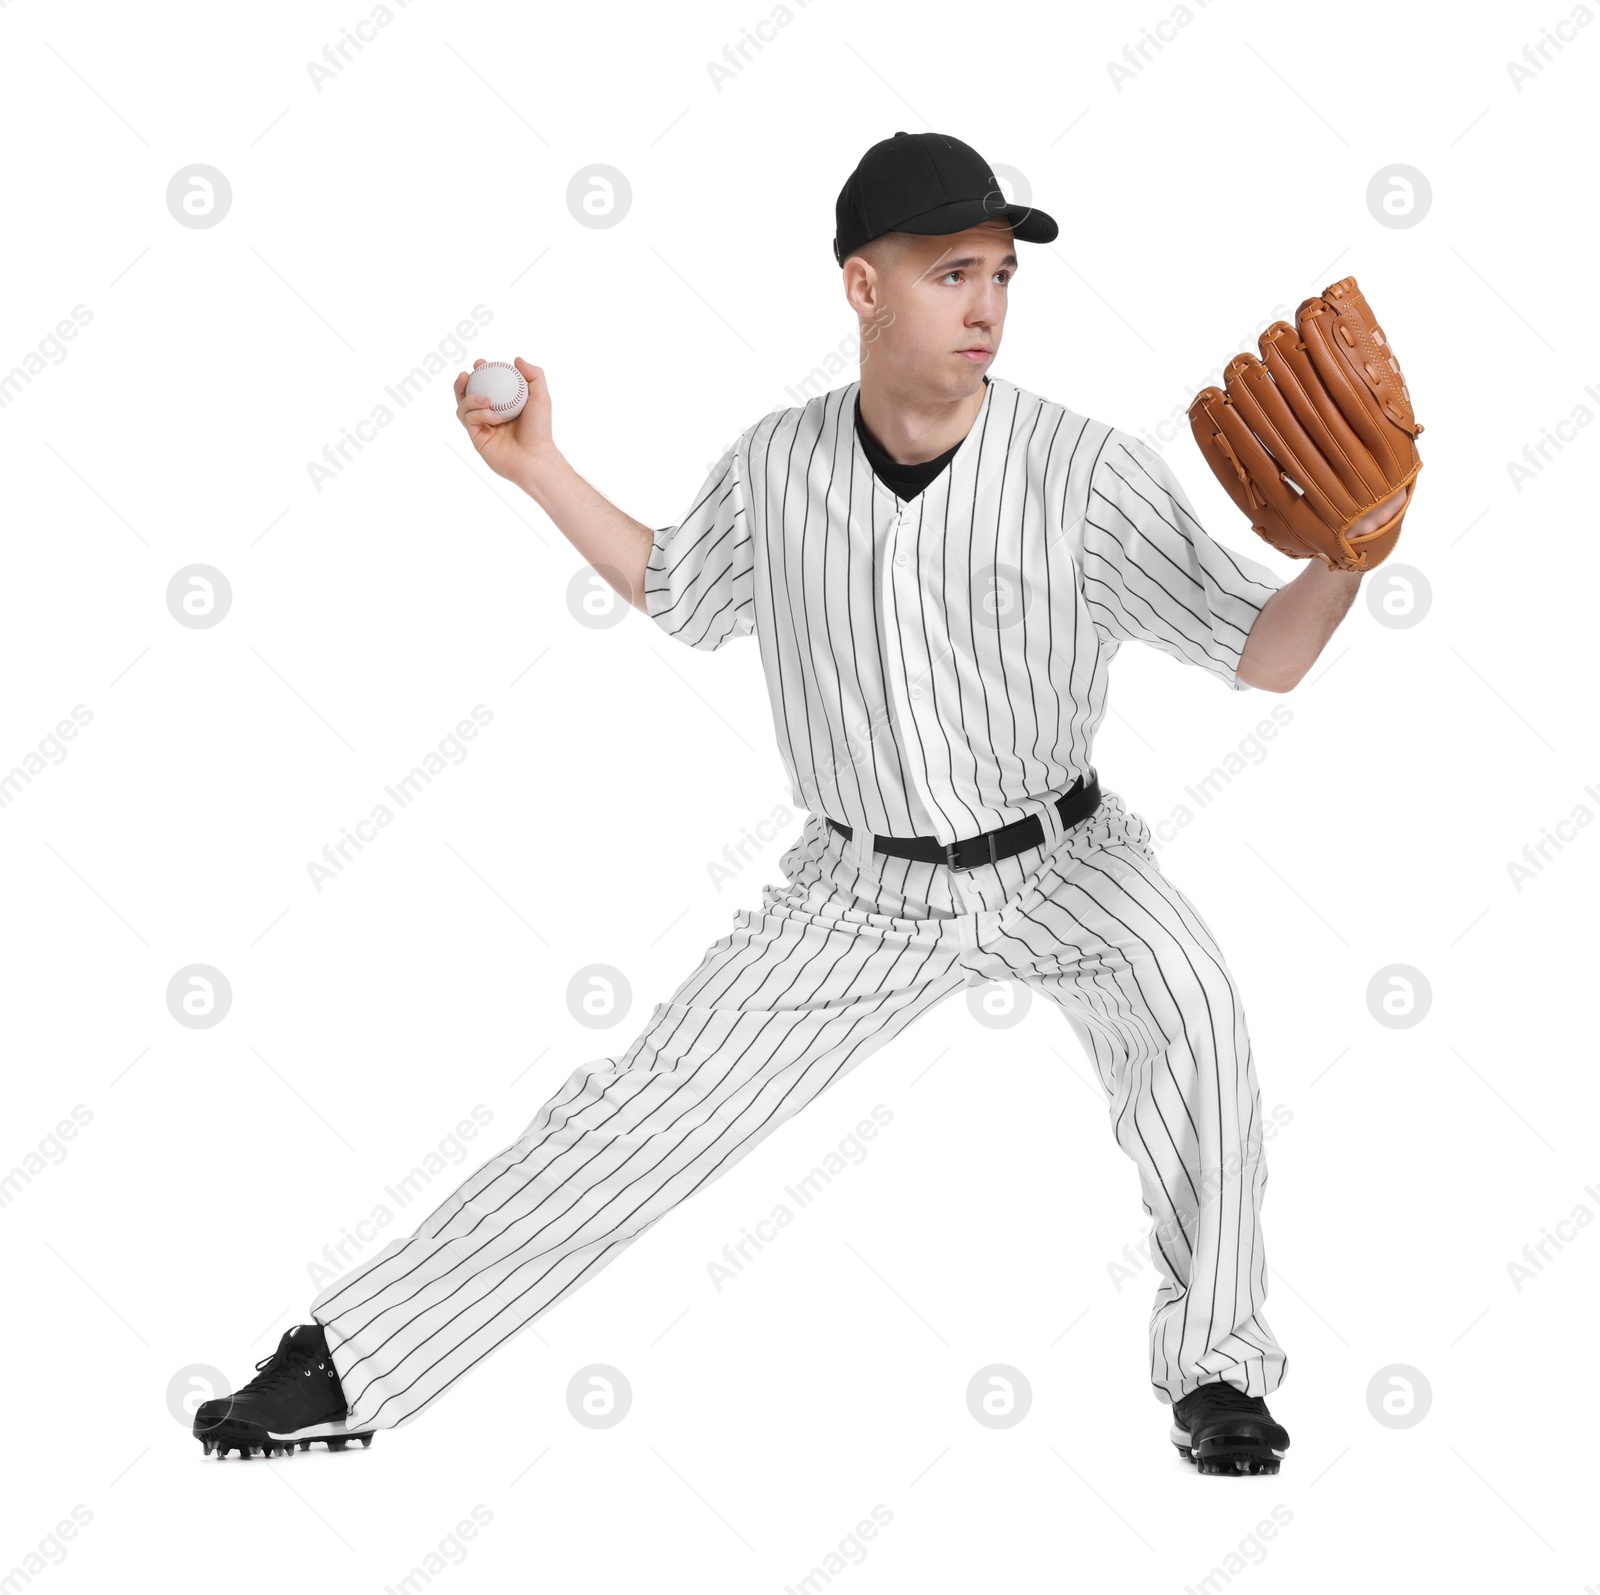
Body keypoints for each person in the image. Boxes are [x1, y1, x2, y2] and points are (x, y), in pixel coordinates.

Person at [195, 131, 1379, 1477]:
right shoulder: (776, 466)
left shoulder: (1087, 471)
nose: (986, 302)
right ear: (862, 291)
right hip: (859, 894)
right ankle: (353, 1357)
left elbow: (1262, 655)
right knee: (637, 1111)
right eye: (950, 272)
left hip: (1066, 860)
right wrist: (537, 468)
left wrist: (1346, 560)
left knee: (1197, 1015)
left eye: (999, 272)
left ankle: (1218, 1374)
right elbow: (682, 592)